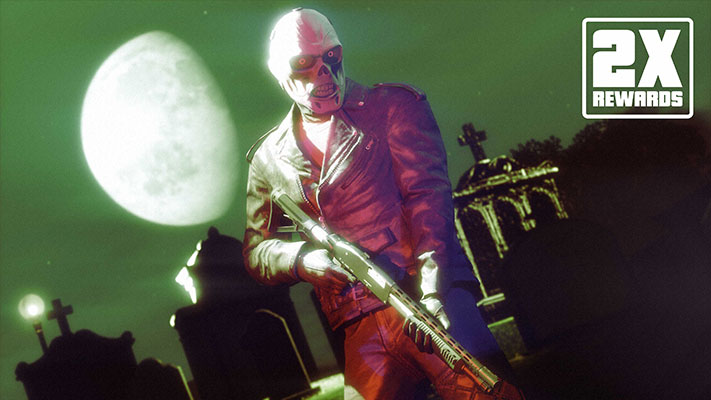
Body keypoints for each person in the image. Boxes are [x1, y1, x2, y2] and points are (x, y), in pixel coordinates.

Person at [243, 8, 518, 399]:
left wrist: (433, 291)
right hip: (359, 318)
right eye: (305, 63)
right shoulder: (268, 159)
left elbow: (428, 198)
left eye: (332, 57)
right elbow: (256, 250)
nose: (325, 73)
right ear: (278, 71)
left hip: (426, 296)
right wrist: (302, 260)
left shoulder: (392, 107)